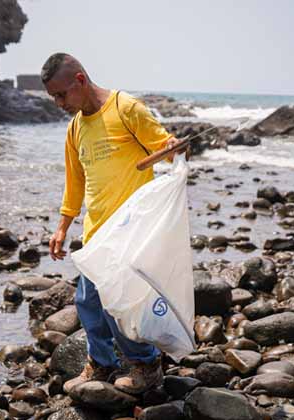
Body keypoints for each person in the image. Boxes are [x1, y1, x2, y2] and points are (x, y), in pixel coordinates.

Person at [42, 52, 186, 395]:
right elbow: (75, 180)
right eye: (54, 98)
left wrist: (172, 147)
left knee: (118, 304)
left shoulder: (126, 108)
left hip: (130, 231)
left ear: (80, 80)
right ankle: (102, 365)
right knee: (87, 303)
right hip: (95, 234)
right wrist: (63, 226)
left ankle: (146, 366)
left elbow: (165, 148)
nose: (59, 103)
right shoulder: (76, 126)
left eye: (62, 95)